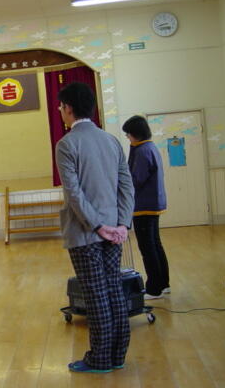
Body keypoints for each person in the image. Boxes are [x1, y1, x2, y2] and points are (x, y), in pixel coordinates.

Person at [55, 82, 135, 374]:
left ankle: (99, 359)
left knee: (96, 294)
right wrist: (122, 224)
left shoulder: (67, 144)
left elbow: (74, 194)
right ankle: (117, 355)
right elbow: (126, 186)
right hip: (114, 230)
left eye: (61, 106)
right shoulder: (111, 141)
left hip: (85, 232)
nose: (60, 111)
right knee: (114, 289)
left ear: (69, 108)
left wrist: (98, 226)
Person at [122, 115, 169, 299]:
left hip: (144, 206)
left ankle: (154, 288)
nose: (127, 138)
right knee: (155, 244)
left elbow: (136, 180)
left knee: (147, 248)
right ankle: (163, 284)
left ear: (136, 133)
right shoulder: (150, 147)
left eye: (128, 134)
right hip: (153, 204)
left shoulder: (142, 151)